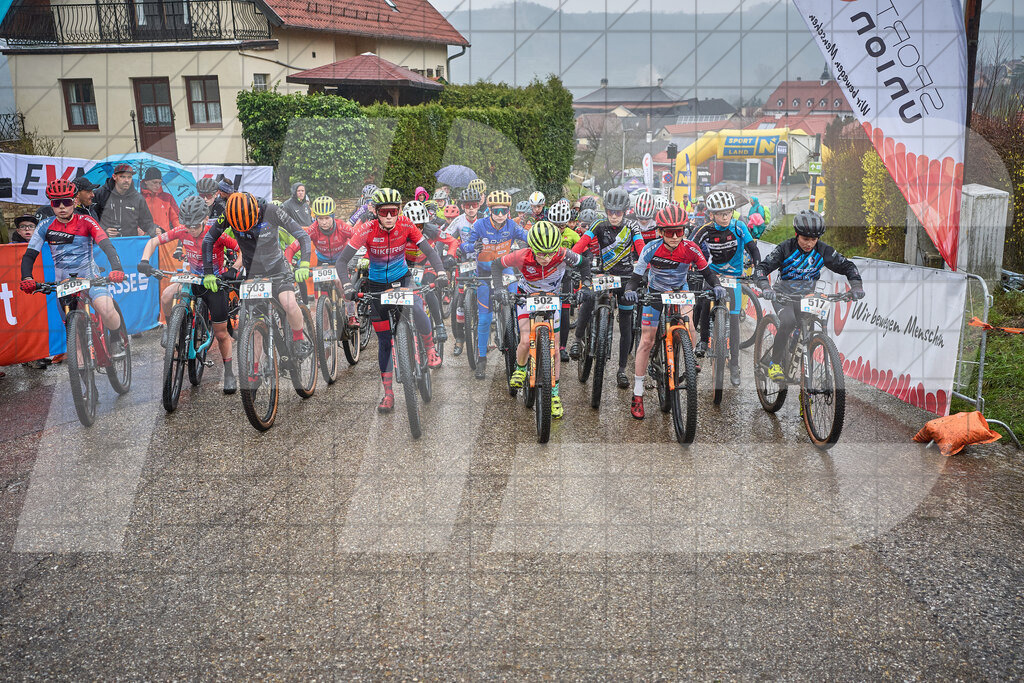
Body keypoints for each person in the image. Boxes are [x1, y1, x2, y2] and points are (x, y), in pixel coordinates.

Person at [331, 188, 448, 412]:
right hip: (376, 286)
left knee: (417, 306)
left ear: (398, 211)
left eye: (393, 211)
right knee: (384, 341)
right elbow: (342, 261)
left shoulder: (406, 225)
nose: (389, 216)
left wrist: (441, 272)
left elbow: (430, 252)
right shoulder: (366, 229)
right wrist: (347, 285)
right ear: (375, 212)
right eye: (384, 212)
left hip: (402, 279)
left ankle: (430, 349)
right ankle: (388, 393)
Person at [623, 205, 725, 420]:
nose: (675, 236)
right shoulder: (651, 248)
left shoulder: (691, 248)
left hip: (681, 290)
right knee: (647, 341)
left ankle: (688, 359)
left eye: (680, 231)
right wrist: (630, 290)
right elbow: (635, 276)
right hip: (655, 292)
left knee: (689, 326)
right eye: (670, 232)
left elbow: (707, 272)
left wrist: (716, 285)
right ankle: (638, 393)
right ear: (660, 232)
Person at [138, 195, 240, 393]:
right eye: (188, 225)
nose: (191, 229)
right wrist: (144, 261)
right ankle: (170, 327)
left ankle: (228, 373)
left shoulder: (216, 232)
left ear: (204, 218)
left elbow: (240, 250)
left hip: (213, 282)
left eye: (195, 225)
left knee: (221, 334)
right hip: (192, 278)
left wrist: (233, 270)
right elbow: (153, 242)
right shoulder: (182, 230)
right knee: (167, 296)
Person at [492, 221, 591, 419]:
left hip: (552, 297)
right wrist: (499, 289)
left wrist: (586, 285)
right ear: (532, 249)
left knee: (554, 350)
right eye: (540, 254)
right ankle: (520, 368)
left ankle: (554, 394)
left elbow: (585, 263)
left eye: (549, 254)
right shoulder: (522, 255)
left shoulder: (563, 253)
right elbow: (496, 265)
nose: (545, 258)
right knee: (526, 339)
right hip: (526, 295)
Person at [20, 179, 127, 358]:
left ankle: (116, 339)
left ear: (74, 201)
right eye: (56, 203)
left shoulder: (87, 221)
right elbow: (30, 255)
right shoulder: (44, 226)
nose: (62, 207)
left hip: (91, 277)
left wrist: (117, 268)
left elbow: (106, 245)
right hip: (64, 284)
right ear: (51, 205)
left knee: (105, 308)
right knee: (74, 335)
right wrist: (27, 277)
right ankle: (83, 379)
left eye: (66, 202)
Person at [754, 210, 865, 382]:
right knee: (789, 321)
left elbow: (847, 266)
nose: (809, 243)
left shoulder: (822, 250)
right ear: (797, 235)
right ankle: (774, 363)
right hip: (783, 296)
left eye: (814, 239)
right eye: (805, 239)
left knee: (810, 320)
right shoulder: (785, 248)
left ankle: (795, 351)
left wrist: (856, 286)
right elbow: (762, 268)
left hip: (806, 297)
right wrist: (765, 287)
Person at [201, 192, 313, 361]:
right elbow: (208, 239)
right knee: (255, 320)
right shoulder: (228, 215)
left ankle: (298, 340)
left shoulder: (272, 211)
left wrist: (304, 263)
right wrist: (209, 273)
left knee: (289, 303)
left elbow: (302, 235)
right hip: (253, 270)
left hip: (277, 267)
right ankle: (253, 371)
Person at [570, 187, 646, 389]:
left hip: (626, 278)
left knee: (626, 321)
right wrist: (570, 259)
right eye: (610, 211)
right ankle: (577, 339)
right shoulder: (598, 224)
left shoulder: (633, 227)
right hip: (604, 274)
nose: (613, 216)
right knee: (588, 296)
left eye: (618, 212)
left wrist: (644, 270)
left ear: (625, 211)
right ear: (606, 210)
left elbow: (641, 250)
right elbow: (581, 244)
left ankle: (621, 369)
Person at [690, 190, 761, 386]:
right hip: (712, 275)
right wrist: (691, 266)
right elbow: (692, 248)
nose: (724, 216)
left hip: (734, 278)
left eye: (728, 212)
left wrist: (758, 267)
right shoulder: (705, 229)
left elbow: (753, 249)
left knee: (734, 319)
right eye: (720, 213)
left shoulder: (739, 227)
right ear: (711, 214)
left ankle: (735, 364)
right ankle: (704, 341)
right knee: (704, 301)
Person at [465, 189, 529, 379]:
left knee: (518, 304)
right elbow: (465, 246)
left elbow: (529, 237)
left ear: (508, 212)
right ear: (490, 210)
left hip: (505, 270)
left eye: (503, 211)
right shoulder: (479, 225)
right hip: (484, 273)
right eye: (496, 211)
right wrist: (472, 247)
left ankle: (520, 344)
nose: (500, 215)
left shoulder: (512, 226)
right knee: (484, 318)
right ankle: (482, 358)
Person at [546, 199, 579, 361]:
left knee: (564, 312)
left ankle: (562, 347)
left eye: (562, 226)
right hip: (547, 277)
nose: (559, 229)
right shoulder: (543, 232)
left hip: (566, 277)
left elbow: (582, 255)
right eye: (555, 225)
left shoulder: (573, 235)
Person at [93, 163, 157, 237]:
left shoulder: (138, 198)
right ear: (114, 177)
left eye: (129, 177)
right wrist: (103, 230)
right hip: (105, 243)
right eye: (122, 177)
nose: (126, 180)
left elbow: (147, 223)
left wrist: (155, 229)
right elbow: (90, 219)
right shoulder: (99, 194)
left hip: (130, 243)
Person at [140, 167, 179, 234]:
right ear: (146, 181)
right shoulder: (139, 198)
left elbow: (176, 219)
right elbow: (133, 219)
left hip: (165, 239)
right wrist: (138, 229)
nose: (157, 185)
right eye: (154, 182)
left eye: (159, 183)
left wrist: (180, 235)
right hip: (146, 238)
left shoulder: (168, 198)